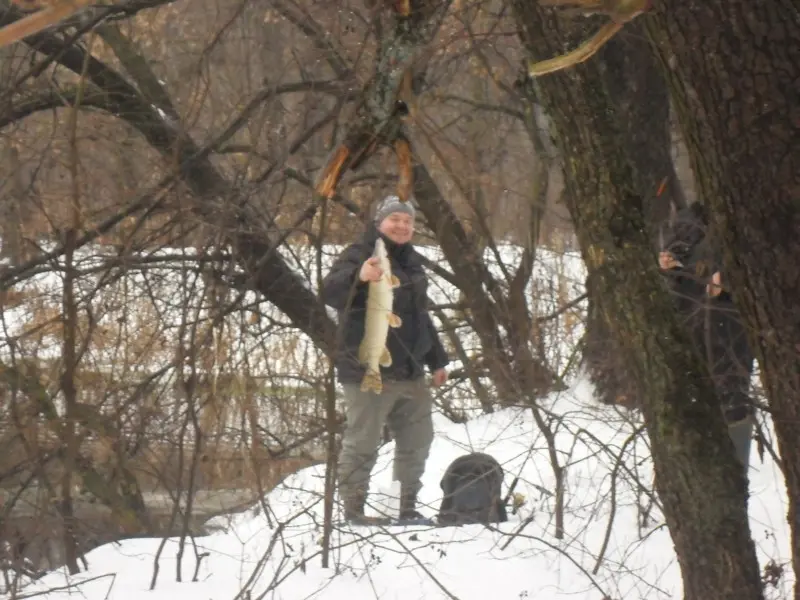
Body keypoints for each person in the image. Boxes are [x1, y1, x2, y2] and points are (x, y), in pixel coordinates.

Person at [322, 194, 450, 524]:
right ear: (379, 222)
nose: (402, 225)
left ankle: (403, 506)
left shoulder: (411, 261)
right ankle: (353, 511)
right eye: (395, 219)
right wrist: (359, 277)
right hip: (366, 368)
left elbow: (420, 315)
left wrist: (437, 360)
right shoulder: (358, 255)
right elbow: (330, 292)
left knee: (417, 442)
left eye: (407, 221)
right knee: (361, 443)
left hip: (410, 370)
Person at [658, 201, 755, 472]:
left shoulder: (752, 216)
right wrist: (671, 268)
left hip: (732, 335)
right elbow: (674, 276)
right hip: (693, 334)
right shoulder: (694, 218)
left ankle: (736, 472)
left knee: (733, 404)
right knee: (693, 408)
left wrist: (728, 279)